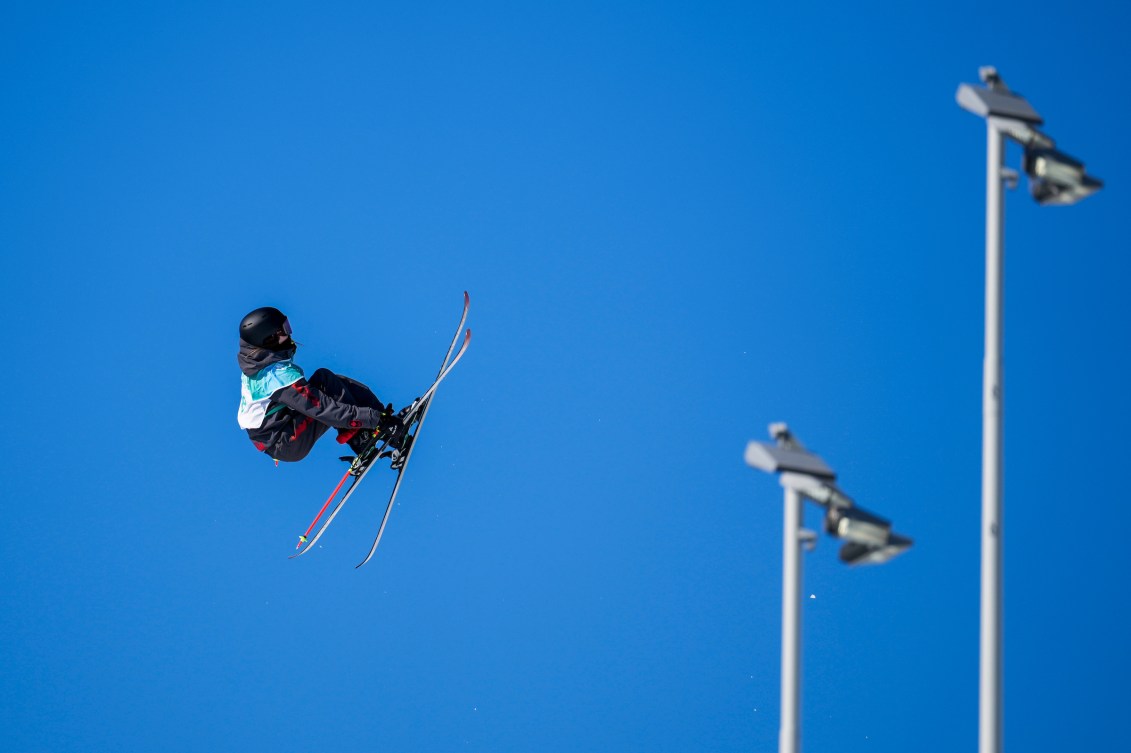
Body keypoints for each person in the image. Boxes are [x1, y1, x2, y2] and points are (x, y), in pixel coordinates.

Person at [237, 306, 403, 465]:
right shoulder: (277, 378)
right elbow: (321, 408)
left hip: (281, 432)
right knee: (327, 394)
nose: (289, 333)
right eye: (284, 330)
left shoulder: (257, 365)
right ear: (270, 339)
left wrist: (379, 417)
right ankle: (363, 436)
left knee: (327, 381)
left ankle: (376, 422)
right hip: (285, 442)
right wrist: (373, 420)